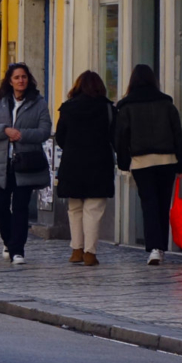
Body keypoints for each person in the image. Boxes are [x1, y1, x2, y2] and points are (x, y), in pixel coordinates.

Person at [114, 63, 182, 266]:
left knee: (149, 204)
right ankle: (161, 248)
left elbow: (121, 138)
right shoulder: (167, 104)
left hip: (141, 162)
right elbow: (178, 135)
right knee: (163, 204)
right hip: (167, 160)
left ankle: (154, 248)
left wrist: (123, 163)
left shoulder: (126, 107)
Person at [0, 63, 52, 266]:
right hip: (2, 163)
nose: (21, 80)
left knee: (21, 207)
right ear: (10, 81)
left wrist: (21, 134)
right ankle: (9, 242)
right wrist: (5, 130)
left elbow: (45, 131)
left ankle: (18, 250)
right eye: (17, 77)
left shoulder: (38, 103)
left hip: (25, 163)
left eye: (24, 77)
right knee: (0, 207)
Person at [54, 70, 116, 266]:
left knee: (74, 208)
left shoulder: (67, 108)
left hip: (72, 164)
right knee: (93, 209)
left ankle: (76, 250)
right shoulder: (107, 108)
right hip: (99, 163)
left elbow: (60, 137)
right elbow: (114, 136)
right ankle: (90, 252)